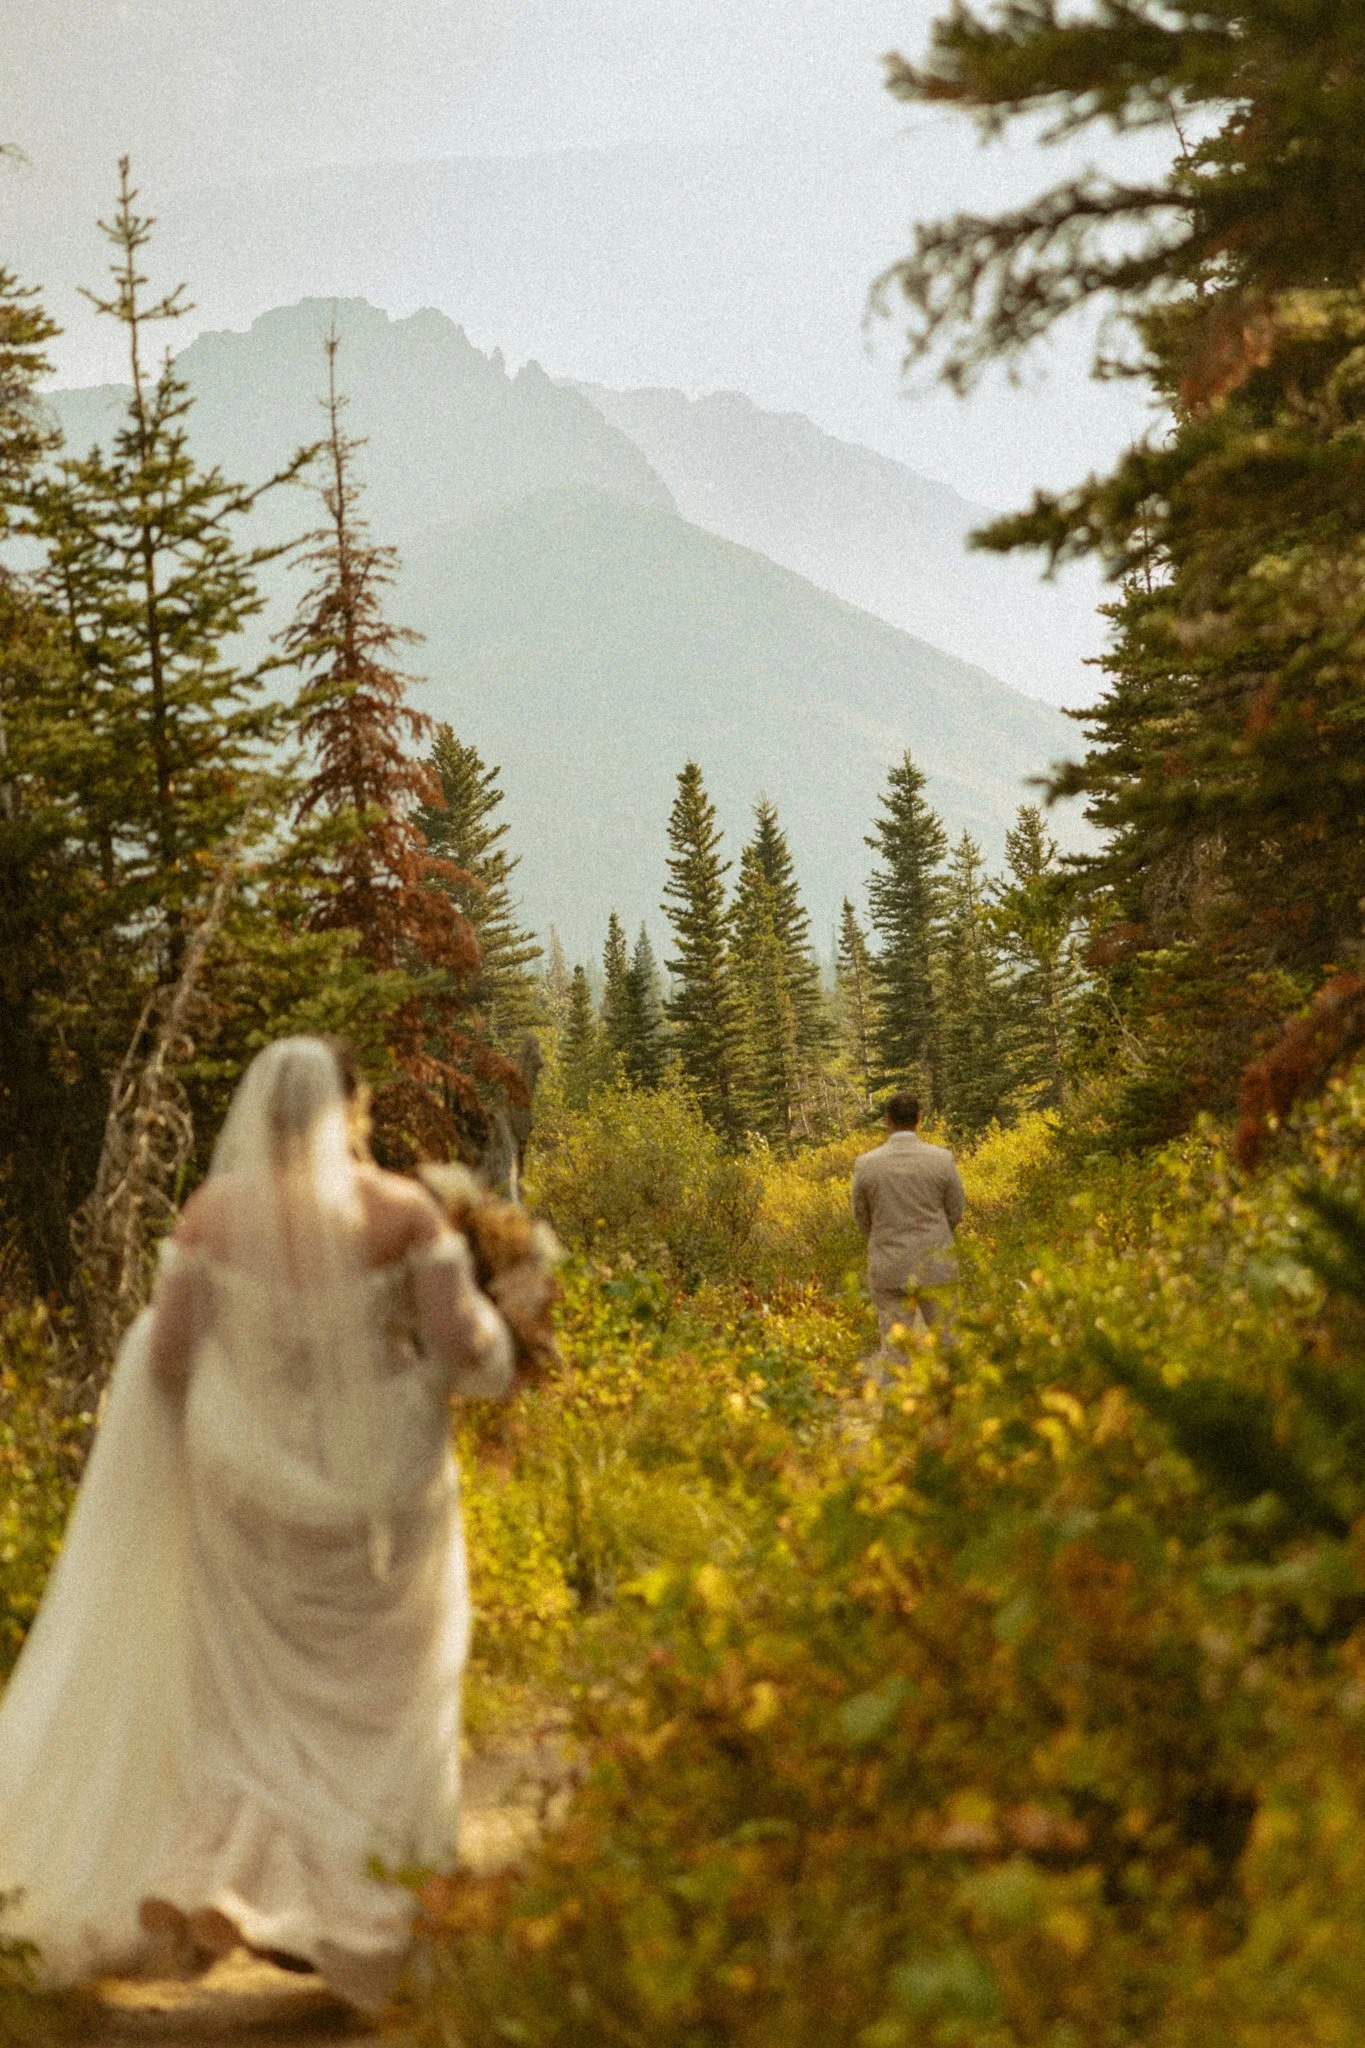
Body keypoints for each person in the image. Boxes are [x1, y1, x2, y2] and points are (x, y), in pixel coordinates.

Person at [0, 1036, 520, 2012]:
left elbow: (171, 1355)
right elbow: (460, 1345)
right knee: (385, 1695)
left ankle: (224, 1880)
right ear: (352, 1109)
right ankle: (363, 1909)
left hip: (249, 1497)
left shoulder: (210, 1215)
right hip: (380, 1493)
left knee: (254, 1703)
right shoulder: (402, 1210)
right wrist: (509, 1332)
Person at [852, 1090, 965, 1344]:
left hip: (890, 1265)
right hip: (935, 1263)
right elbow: (955, 1211)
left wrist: (883, 1236)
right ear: (918, 1119)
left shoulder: (867, 1164)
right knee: (948, 1344)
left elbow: (861, 1217)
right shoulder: (942, 1160)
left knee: (895, 1350)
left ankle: (894, 1385)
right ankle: (950, 1384)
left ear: (887, 1119)